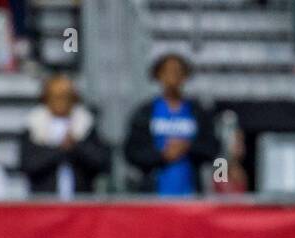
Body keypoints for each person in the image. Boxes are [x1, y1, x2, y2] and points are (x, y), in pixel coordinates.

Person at [123, 52, 218, 196]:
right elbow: (131, 152)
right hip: (153, 196)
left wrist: (187, 147)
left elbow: (212, 148)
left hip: (191, 194)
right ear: (158, 76)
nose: (172, 77)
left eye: (178, 72)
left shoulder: (198, 112)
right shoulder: (145, 113)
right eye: (167, 72)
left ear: (185, 76)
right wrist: (162, 155)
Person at [20, 74, 109, 198]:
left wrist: (77, 146)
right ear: (46, 98)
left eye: (66, 97)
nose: (61, 101)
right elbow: (28, 165)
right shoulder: (34, 125)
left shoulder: (85, 123)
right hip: (44, 200)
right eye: (56, 97)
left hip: (81, 200)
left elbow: (101, 163)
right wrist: (59, 150)